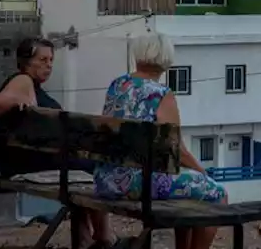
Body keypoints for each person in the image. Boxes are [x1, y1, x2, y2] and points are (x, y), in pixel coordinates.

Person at [94, 34, 227, 249]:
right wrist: (203, 173)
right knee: (218, 194)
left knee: (187, 184)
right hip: (137, 183)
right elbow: (178, 152)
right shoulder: (161, 94)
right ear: (165, 59)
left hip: (106, 179)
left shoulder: (118, 85)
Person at [0, 37, 113, 247]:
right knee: (95, 169)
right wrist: (19, 101)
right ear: (27, 61)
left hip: (29, 159)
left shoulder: (30, 84)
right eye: (43, 59)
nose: (49, 65)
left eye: (51, 60)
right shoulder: (23, 80)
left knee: (82, 172)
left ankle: (85, 240)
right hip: (27, 163)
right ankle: (104, 237)